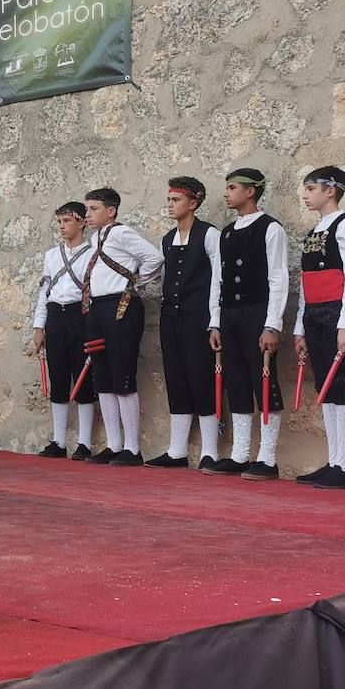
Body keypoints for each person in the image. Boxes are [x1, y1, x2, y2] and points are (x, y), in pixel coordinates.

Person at [206, 169, 289, 481]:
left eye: (232, 187)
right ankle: (240, 454)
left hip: (258, 313)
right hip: (230, 315)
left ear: (251, 192)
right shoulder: (226, 233)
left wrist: (272, 325)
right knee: (237, 381)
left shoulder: (270, 229)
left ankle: (267, 458)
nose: (227, 194)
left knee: (263, 380)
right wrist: (215, 322)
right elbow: (219, 280)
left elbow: (279, 279)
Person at [291, 167, 345, 490]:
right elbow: (306, 285)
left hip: (337, 313)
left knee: (341, 385)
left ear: (331, 190)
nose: (306, 195)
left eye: (311, 188)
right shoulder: (314, 231)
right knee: (325, 387)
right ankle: (334, 460)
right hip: (315, 315)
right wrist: (300, 327)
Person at [79, 188, 163, 466]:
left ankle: (132, 447)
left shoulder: (120, 233)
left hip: (121, 307)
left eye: (93, 209)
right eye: (87, 209)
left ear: (111, 211)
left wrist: (133, 284)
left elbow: (154, 258)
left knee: (122, 373)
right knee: (102, 374)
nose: (88, 214)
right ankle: (114, 444)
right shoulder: (96, 237)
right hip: (98, 308)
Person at [146, 177, 221, 470]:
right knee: (176, 378)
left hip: (199, 316)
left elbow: (218, 281)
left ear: (193, 203)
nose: (170, 205)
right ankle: (177, 451)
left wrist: (215, 321)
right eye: (168, 200)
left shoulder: (209, 235)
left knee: (202, 378)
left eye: (175, 200)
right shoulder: (167, 239)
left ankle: (210, 451)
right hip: (171, 317)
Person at [30, 202, 97, 459]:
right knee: (58, 376)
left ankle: (84, 443)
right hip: (55, 317)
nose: (62, 226)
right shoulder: (51, 255)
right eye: (59, 221)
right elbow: (44, 292)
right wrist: (39, 326)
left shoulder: (92, 252)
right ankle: (58, 441)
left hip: (81, 316)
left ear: (81, 222)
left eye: (67, 221)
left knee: (83, 376)